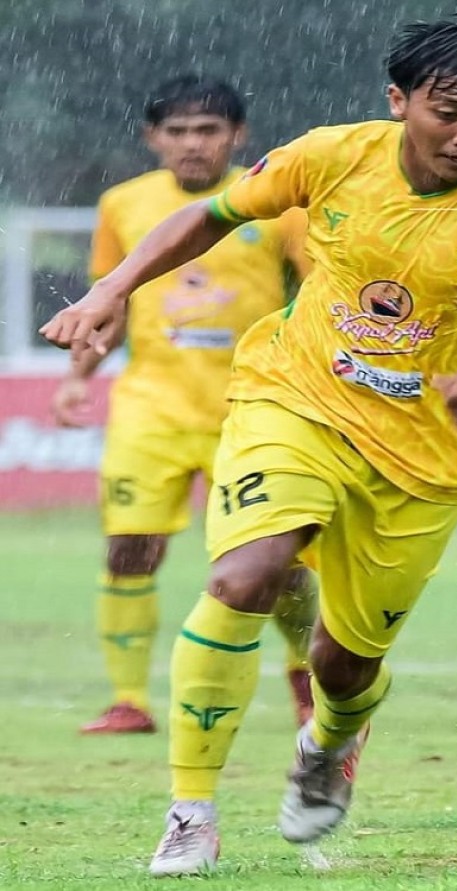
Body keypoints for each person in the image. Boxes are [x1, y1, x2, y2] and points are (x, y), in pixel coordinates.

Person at [40, 13, 457, 877]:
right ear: (398, 100)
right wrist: (113, 289)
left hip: (426, 451)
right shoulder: (333, 153)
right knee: (242, 575)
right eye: (448, 110)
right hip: (295, 398)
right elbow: (213, 215)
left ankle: (328, 743)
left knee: (345, 660)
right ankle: (191, 809)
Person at [54, 74, 318, 736]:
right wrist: (77, 374)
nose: (192, 145)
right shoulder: (123, 204)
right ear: (153, 139)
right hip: (152, 408)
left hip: (254, 407)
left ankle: (306, 678)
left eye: (207, 131)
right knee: (129, 548)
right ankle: (128, 700)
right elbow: (108, 300)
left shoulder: (277, 205)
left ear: (238, 136)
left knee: (276, 559)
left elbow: (321, 294)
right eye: (177, 132)